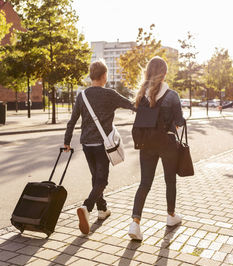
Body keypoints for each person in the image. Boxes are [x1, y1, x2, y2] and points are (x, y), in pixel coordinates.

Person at [64, 60, 135, 235]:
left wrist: (67, 141)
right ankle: (87, 208)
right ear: (104, 76)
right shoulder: (110, 95)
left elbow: (72, 120)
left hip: (87, 144)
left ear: (91, 76)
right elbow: (132, 104)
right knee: (102, 180)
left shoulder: (82, 96)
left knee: (96, 177)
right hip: (103, 145)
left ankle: (102, 209)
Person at [128, 57, 185, 241]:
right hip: (167, 143)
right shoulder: (172, 95)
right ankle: (171, 216)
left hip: (147, 143)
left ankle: (135, 223)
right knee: (170, 180)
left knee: (145, 183)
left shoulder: (141, 94)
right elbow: (179, 123)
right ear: (165, 73)